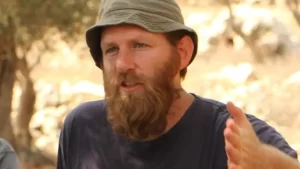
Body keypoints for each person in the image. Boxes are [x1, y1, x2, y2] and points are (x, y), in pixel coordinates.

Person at [57, 0, 300, 168]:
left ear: (182, 52)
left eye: (139, 45)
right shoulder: (82, 129)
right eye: (111, 49)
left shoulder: (231, 138)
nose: (122, 64)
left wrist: (269, 163)